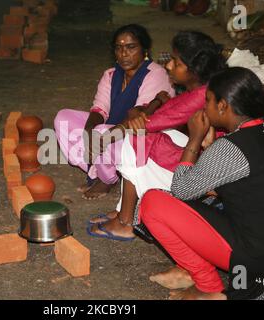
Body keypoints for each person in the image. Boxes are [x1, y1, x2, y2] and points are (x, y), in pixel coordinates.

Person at [139, 67, 264, 300]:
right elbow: (235, 182)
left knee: (152, 203)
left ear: (222, 106)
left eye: (207, 101)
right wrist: (209, 148)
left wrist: (194, 139)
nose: (203, 108)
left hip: (254, 257)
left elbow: (182, 190)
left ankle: (207, 286)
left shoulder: (231, 147)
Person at [87, 31, 226, 241]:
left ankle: (126, 222)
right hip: (202, 158)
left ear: (194, 70)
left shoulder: (199, 98)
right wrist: (151, 106)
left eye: (175, 62)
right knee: (141, 137)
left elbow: (151, 121)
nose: (168, 65)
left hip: (206, 174)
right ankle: (123, 210)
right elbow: (153, 114)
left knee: (137, 139)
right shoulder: (197, 90)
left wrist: (105, 139)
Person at [54, 24, 174, 200]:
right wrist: (88, 134)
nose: (124, 54)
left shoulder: (156, 73)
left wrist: (102, 135)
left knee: (102, 132)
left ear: (145, 49)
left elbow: (140, 115)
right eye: (119, 48)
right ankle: (98, 167)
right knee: (63, 118)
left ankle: (107, 178)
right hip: (111, 133)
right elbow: (99, 109)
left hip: (142, 138)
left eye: (131, 47)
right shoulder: (111, 74)